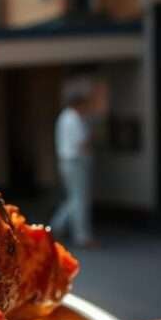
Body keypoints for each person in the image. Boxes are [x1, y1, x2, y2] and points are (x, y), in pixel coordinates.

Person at [50, 88, 95, 247]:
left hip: (67, 161)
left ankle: (56, 225)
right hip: (75, 161)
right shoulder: (74, 118)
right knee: (79, 198)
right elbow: (81, 142)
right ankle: (81, 235)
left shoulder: (65, 117)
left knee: (74, 197)